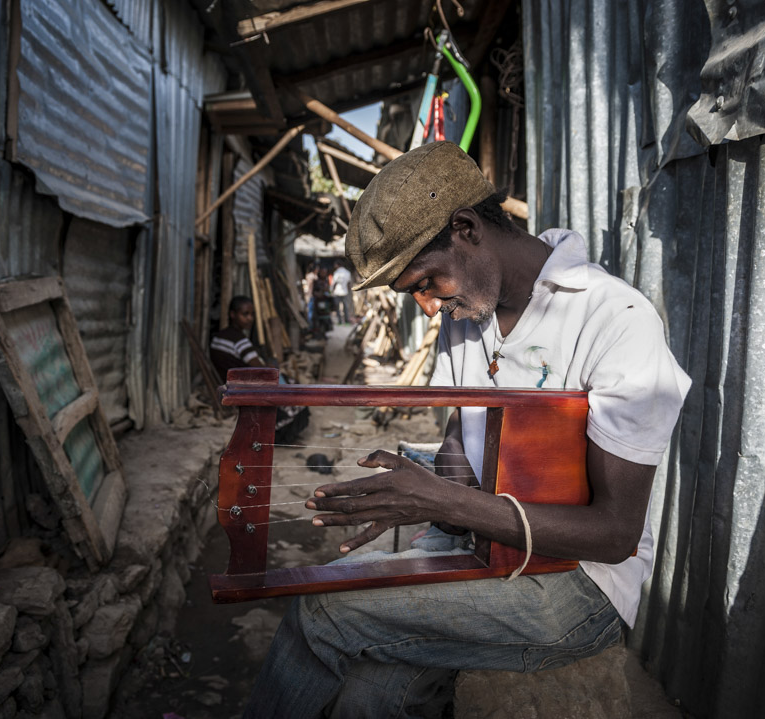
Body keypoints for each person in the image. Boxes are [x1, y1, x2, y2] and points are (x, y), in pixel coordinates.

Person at [244, 142, 691, 718]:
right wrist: (428, 500)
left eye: (427, 283)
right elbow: (463, 438)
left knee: (323, 608)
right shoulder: (470, 314)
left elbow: (614, 534)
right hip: (476, 545)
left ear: (466, 228)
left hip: (575, 588)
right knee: (369, 694)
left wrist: (444, 500)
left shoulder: (615, 320)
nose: (427, 309)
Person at [211, 296, 309, 443]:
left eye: (252, 314)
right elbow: (263, 370)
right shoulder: (240, 341)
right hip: (242, 389)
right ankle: (278, 435)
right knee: (294, 398)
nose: (250, 318)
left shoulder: (219, 337)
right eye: (245, 314)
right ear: (233, 315)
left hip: (231, 384)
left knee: (287, 383)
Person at [331, 259, 354, 324]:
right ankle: (346, 321)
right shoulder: (347, 272)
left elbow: (334, 283)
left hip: (337, 292)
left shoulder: (336, 273)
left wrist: (331, 291)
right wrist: (349, 291)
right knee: (345, 307)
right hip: (345, 292)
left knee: (337, 307)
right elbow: (349, 284)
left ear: (338, 265)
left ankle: (340, 321)